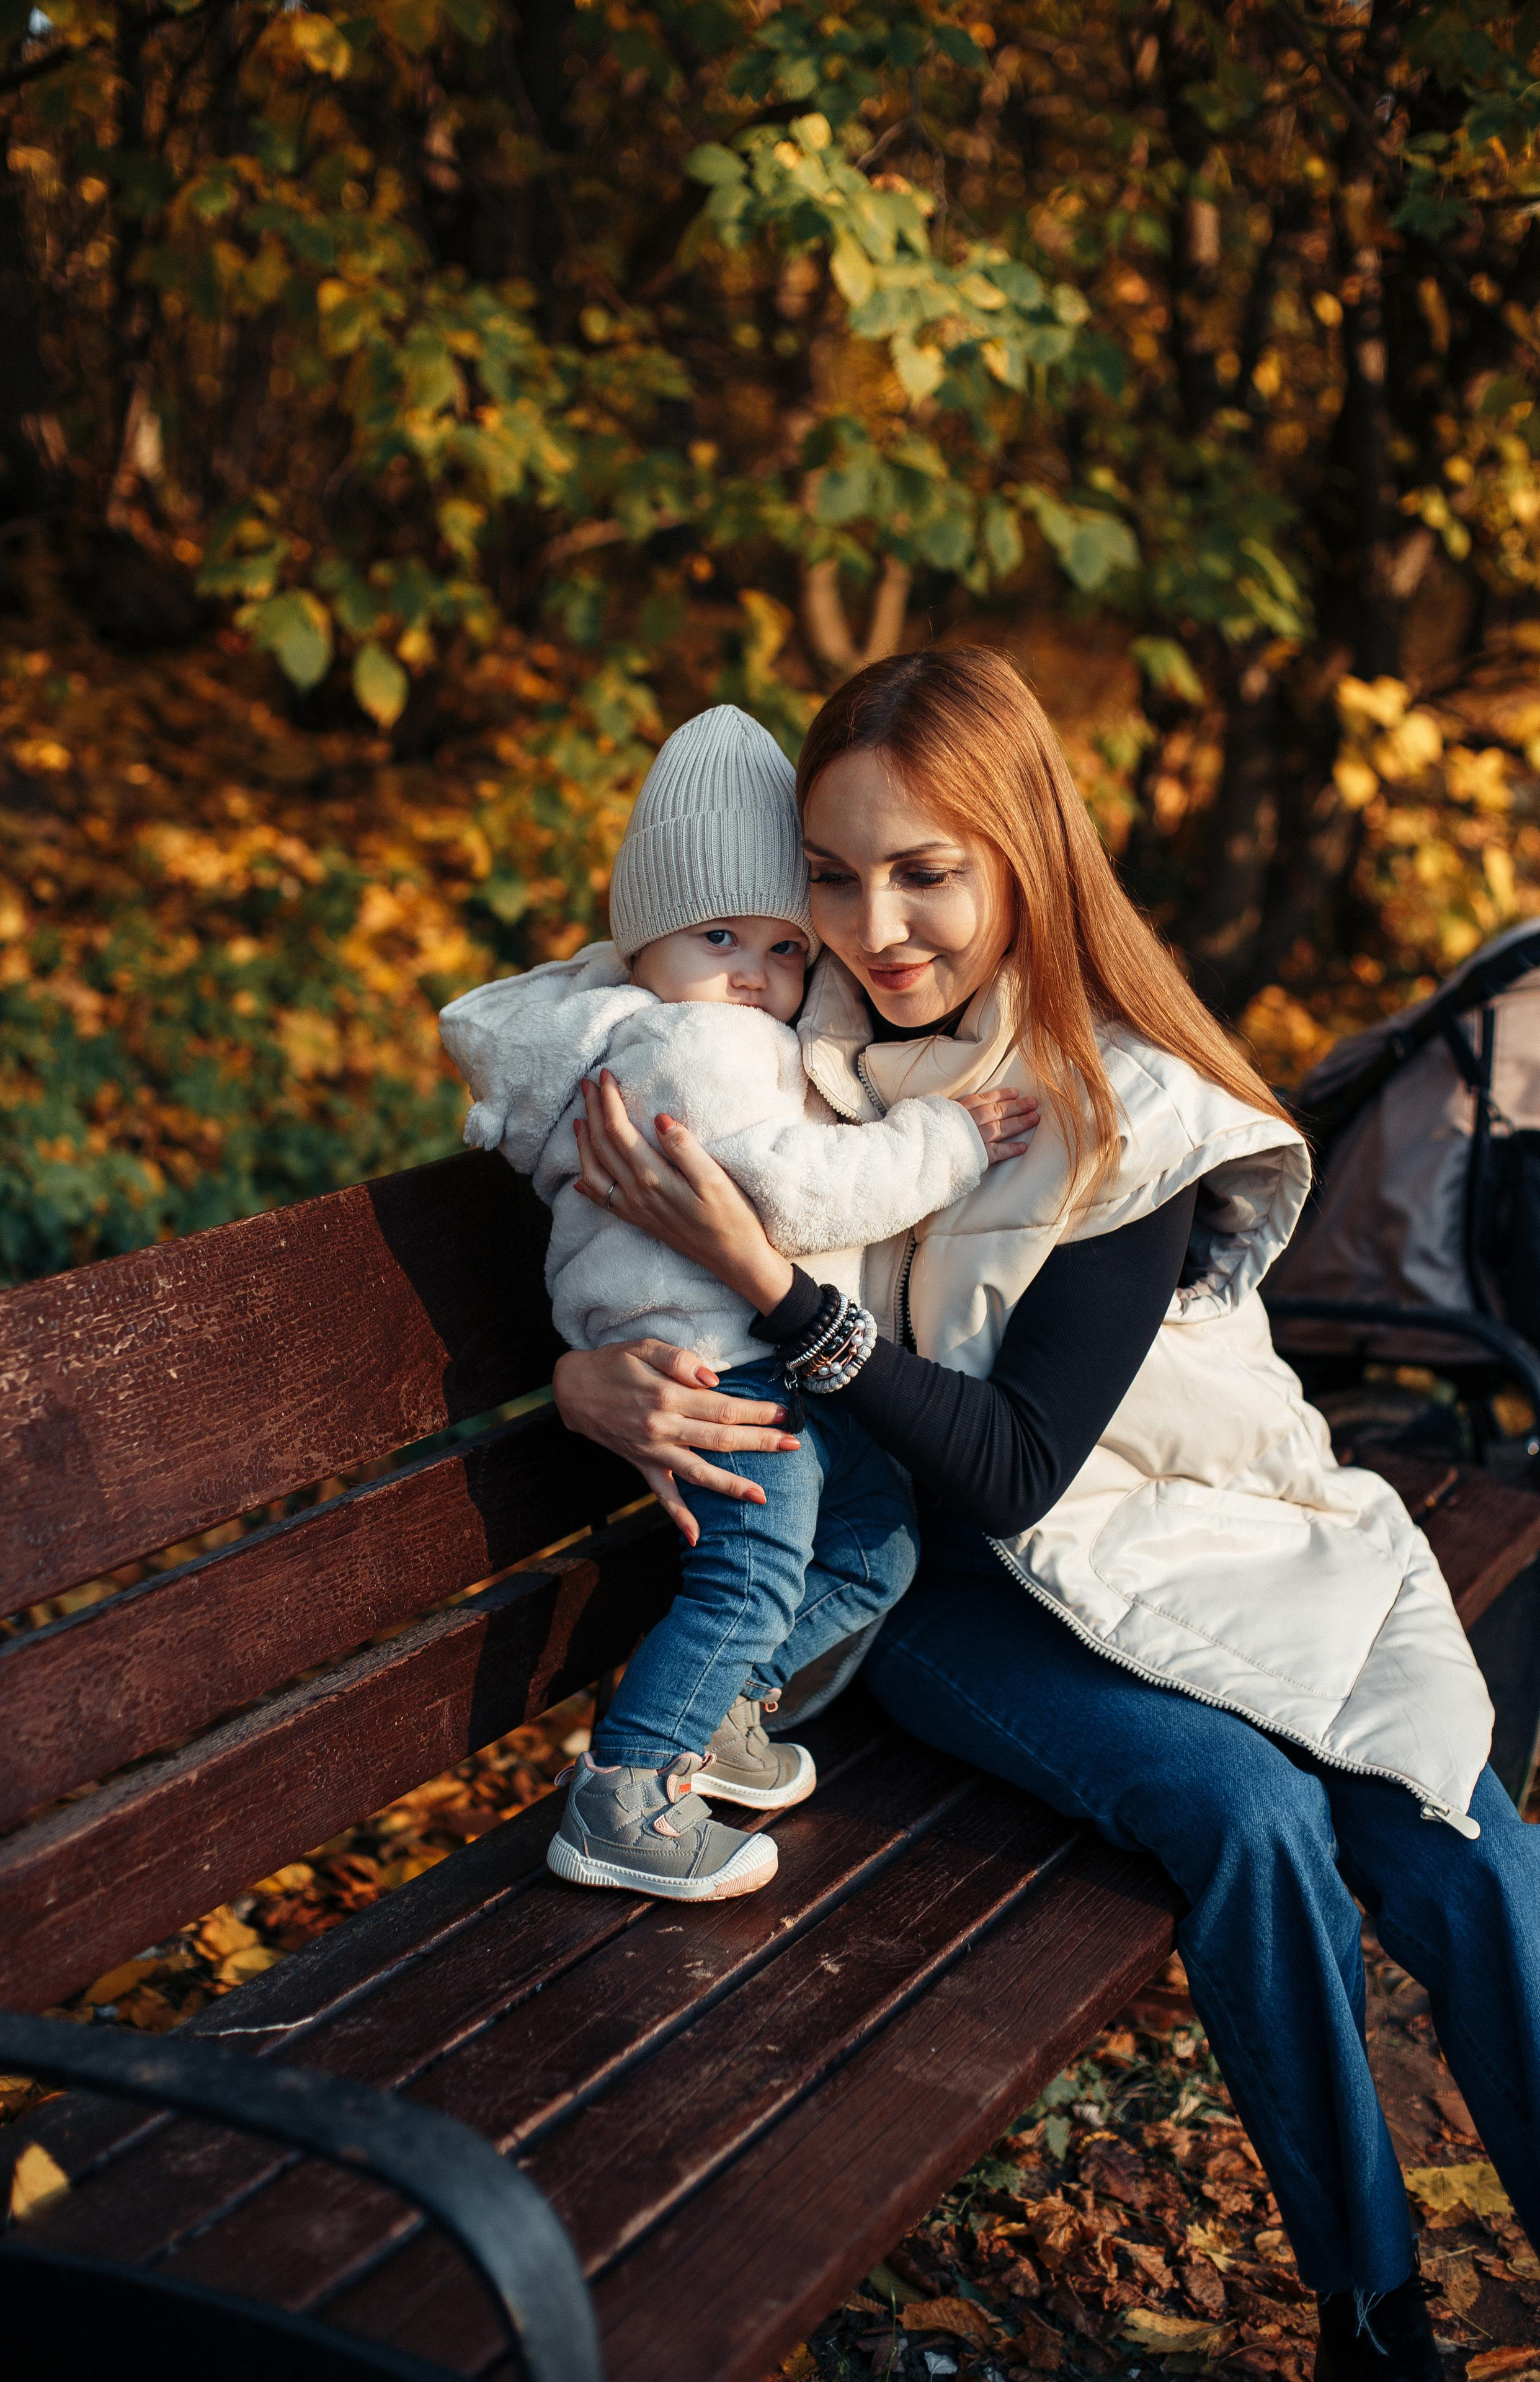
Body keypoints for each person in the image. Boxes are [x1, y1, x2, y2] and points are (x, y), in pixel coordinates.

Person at [553, 646, 1538, 2382]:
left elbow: (1021, 1461)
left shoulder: (1120, 1100)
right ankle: (1378, 2317)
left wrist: (773, 1285)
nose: (880, 927)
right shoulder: (760, 1035)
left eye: (929, 873)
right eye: (835, 878)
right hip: (933, 1586)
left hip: (1192, 1526)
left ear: (1026, 858)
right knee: (1244, 1809)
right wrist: (583, 1380)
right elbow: (595, 1216)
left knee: (1451, 1829)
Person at [439, 702, 1035, 1902]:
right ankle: (626, 1792)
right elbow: (793, 1194)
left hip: (749, 1352)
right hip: (721, 1367)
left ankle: (713, 1714)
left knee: (873, 1544)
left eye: (782, 947)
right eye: (722, 936)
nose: (756, 975)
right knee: (756, 1576)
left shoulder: (716, 1023)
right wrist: (949, 1140)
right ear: (649, 937)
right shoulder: (691, 1049)